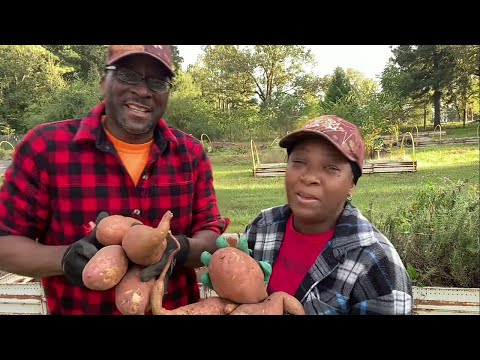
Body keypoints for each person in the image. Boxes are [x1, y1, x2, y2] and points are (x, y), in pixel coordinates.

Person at [0, 45, 229, 315]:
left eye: (157, 81)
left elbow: (212, 236)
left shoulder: (190, 153)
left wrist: (179, 249)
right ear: (103, 82)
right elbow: (5, 241)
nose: (143, 91)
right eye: (128, 75)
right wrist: (64, 258)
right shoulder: (46, 147)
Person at [243, 115, 412, 315]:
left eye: (331, 168)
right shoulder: (262, 227)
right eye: (298, 161)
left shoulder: (376, 262)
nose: (309, 177)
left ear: (352, 185)